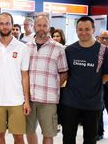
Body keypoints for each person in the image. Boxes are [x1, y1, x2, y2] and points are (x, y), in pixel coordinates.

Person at [60, 16, 108, 144]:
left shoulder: (103, 51)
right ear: (76, 30)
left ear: (93, 30)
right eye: (80, 29)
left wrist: (92, 84)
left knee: (90, 139)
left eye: (87, 29)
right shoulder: (70, 50)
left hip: (93, 104)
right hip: (70, 102)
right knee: (68, 137)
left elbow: (107, 75)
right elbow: (65, 73)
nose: (83, 32)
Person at [26, 15, 68, 144]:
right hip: (29, 99)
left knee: (48, 133)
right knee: (29, 131)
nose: (41, 28)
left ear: (49, 27)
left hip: (48, 99)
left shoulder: (59, 48)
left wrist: (54, 86)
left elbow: (64, 73)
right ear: (34, 27)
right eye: (39, 25)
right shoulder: (26, 47)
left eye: (45, 25)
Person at [0, 12, 30, 144]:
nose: (5, 26)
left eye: (7, 23)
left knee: (19, 137)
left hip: (17, 101)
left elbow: (25, 76)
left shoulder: (23, 48)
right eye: (1, 24)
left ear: (12, 25)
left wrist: (26, 100)